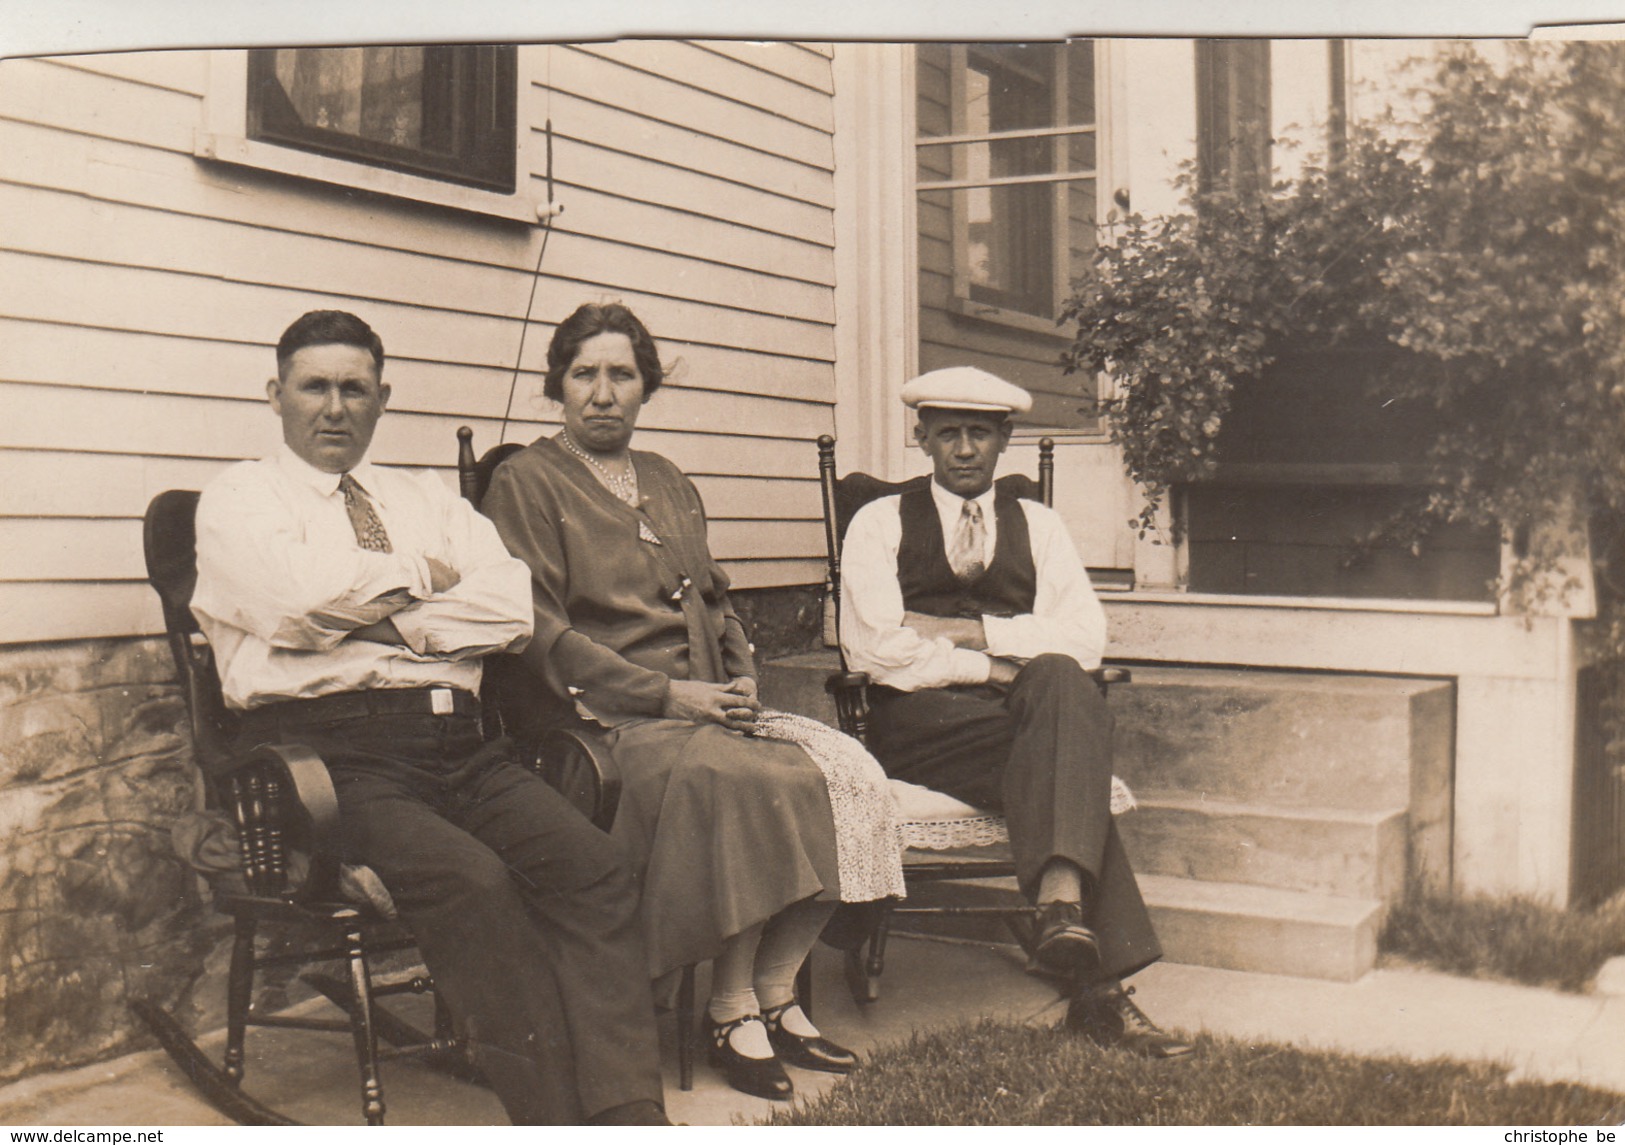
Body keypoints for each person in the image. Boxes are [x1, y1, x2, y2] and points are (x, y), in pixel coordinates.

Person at [190, 310, 670, 1125]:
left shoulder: (424, 495)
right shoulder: (238, 497)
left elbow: (507, 607)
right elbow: (292, 600)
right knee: (474, 882)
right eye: (315, 387)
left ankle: (628, 1115)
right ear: (277, 394)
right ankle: (551, 1119)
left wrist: (374, 613)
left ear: (383, 398)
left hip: (461, 746)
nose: (334, 408)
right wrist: (424, 583)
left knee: (594, 870)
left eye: (354, 389)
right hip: (334, 763)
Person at [481, 302, 903, 1102]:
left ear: (646, 388)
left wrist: (740, 674)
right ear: (556, 385)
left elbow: (716, 599)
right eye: (584, 374)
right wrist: (668, 694)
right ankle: (728, 1006)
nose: (602, 393)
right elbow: (541, 635)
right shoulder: (525, 483)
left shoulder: (668, 480)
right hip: (603, 721)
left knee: (843, 772)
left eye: (622, 374)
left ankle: (774, 991)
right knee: (741, 780)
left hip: (703, 705)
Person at [838, 365, 1193, 1060]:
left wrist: (972, 633)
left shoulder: (1039, 524)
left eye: (979, 433)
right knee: (1068, 753)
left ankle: (1060, 908)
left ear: (1005, 439)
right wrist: (995, 663)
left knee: (1065, 680)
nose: (963, 449)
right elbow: (877, 651)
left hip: (1023, 711)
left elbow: (1086, 639)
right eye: (947, 434)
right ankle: (1100, 990)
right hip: (920, 723)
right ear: (921, 439)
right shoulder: (877, 523)